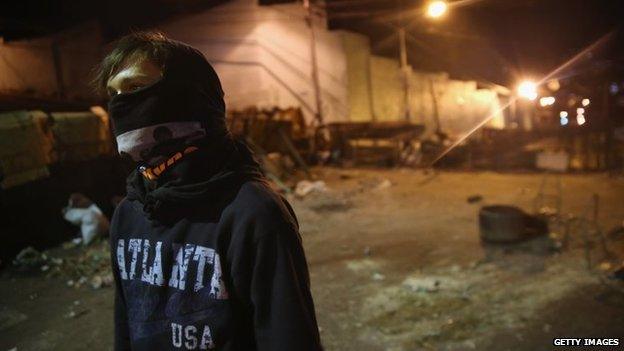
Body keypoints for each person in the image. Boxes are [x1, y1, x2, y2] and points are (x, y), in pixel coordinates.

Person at [94, 31, 322, 351]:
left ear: (189, 94)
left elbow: (288, 337)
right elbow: (127, 327)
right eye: (113, 93)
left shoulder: (252, 214)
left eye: (136, 88)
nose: (120, 104)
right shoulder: (128, 213)